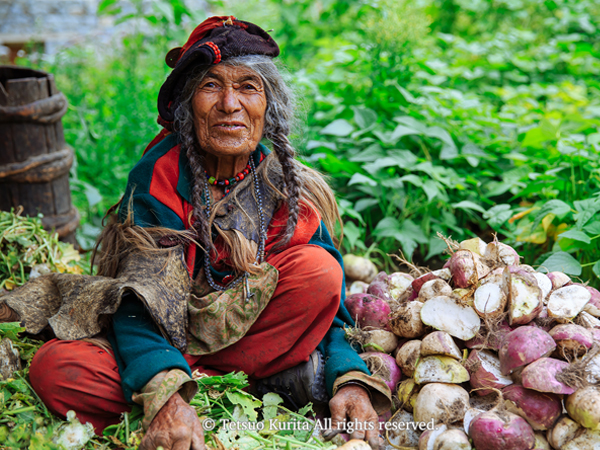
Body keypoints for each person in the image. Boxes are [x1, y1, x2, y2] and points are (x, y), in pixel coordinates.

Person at [24, 16, 392, 450]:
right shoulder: (160, 175)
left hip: (249, 333)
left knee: (319, 271)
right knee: (56, 369)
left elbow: (329, 311)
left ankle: (208, 394)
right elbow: (137, 298)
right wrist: (163, 386)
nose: (230, 104)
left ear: (267, 106)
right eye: (211, 85)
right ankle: (246, 391)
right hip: (163, 335)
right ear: (187, 106)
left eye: (248, 87)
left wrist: (347, 377)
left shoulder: (286, 184)